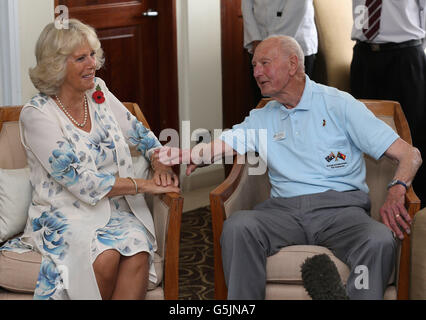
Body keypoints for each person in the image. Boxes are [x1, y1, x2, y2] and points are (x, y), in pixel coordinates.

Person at [160, 35, 422, 299]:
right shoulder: (261, 117)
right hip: (283, 212)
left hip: (342, 212)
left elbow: (410, 155)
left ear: (293, 64)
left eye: (264, 63)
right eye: (254, 66)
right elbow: (228, 142)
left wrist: (397, 189)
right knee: (239, 227)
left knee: (378, 240)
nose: (256, 72)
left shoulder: (339, 104)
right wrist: (192, 154)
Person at [0, 19, 180, 300]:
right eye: (81, 58)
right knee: (105, 256)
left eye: (93, 55)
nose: (92, 64)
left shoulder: (98, 93)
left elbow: (140, 134)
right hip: (62, 215)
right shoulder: (37, 114)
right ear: (56, 65)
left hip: (112, 211)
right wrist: (144, 185)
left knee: (138, 247)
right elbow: (81, 181)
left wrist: (159, 161)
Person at [350, 0, 426, 207]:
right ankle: (364, 202)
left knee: (412, 132)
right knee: (357, 132)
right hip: (363, 56)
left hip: (406, 56)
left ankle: (414, 204)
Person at [242, 0, 318, 103]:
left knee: (295, 103)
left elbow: (296, 7)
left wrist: (271, 46)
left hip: (295, 40)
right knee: (264, 103)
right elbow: (247, 5)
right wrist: (255, 39)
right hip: (258, 41)